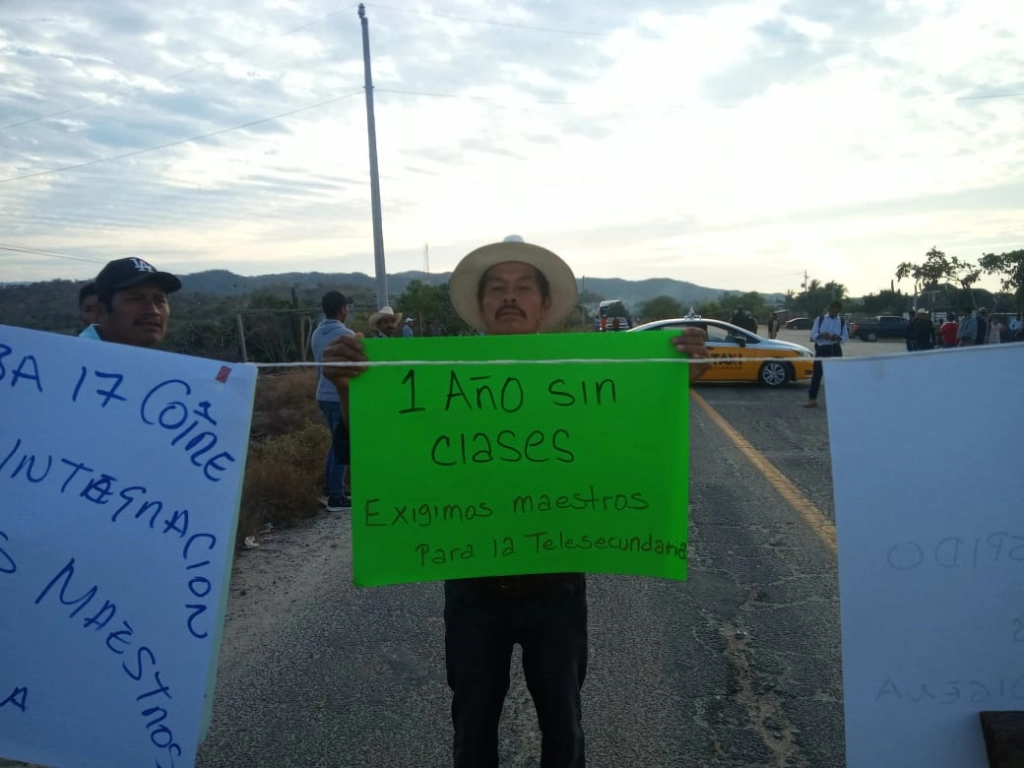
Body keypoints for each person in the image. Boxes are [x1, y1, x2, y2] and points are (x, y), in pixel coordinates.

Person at [321, 235, 710, 768]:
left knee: (564, 727)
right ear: (480, 305)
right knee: (473, 729)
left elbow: (635, 439)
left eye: (523, 287)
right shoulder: (430, 375)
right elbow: (377, 461)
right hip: (472, 588)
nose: (510, 297)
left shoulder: (589, 369)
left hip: (557, 587)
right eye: (497, 288)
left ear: (544, 305)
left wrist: (675, 379)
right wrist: (349, 390)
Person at [310, 291, 355, 512]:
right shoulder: (347, 335)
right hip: (339, 397)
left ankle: (332, 489)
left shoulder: (317, 333)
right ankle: (336, 496)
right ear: (342, 309)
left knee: (335, 443)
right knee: (343, 446)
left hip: (322, 394)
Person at [79, 257, 181, 347]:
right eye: (136, 299)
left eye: (160, 300)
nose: (154, 311)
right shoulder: (70, 360)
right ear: (102, 312)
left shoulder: (161, 365)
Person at [803, 300, 848, 409]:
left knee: (836, 377)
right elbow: (813, 335)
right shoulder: (820, 319)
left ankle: (836, 401)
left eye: (837, 312)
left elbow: (845, 337)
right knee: (817, 375)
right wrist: (822, 335)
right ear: (829, 309)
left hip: (836, 350)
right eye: (833, 311)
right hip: (822, 350)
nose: (834, 314)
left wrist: (837, 337)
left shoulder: (841, 321)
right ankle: (812, 400)